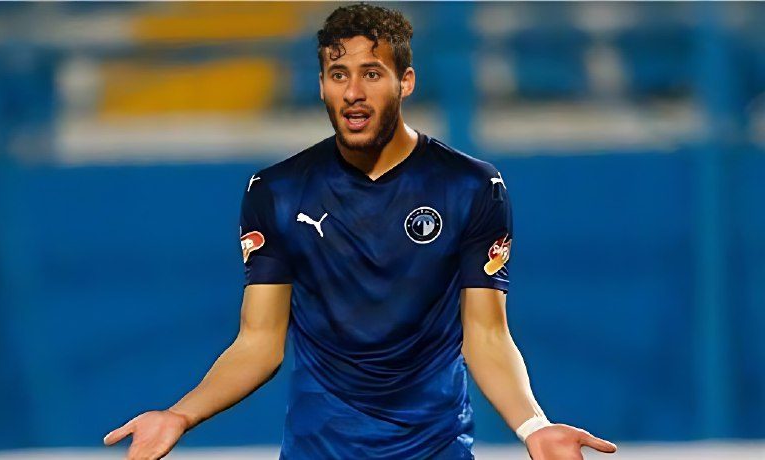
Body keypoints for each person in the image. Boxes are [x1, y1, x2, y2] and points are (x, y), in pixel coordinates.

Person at [104, 4, 617, 459]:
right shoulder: (278, 191)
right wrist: (180, 415)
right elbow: (259, 341)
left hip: (434, 449)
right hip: (318, 449)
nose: (353, 92)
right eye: (338, 74)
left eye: (372, 73)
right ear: (321, 84)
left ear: (405, 81)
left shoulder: (470, 187)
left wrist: (534, 427)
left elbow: (486, 334)